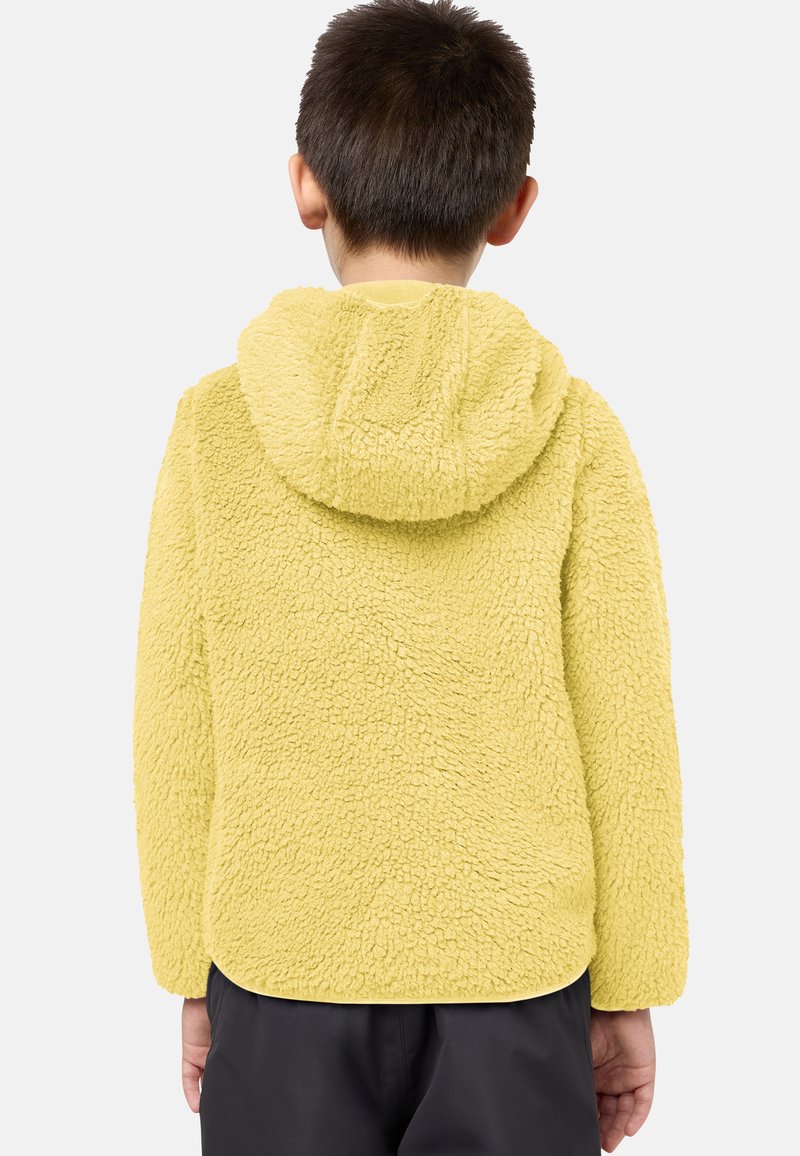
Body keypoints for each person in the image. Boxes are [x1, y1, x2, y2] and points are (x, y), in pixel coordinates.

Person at [132, 1, 689, 1152]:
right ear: (512, 207)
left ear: (305, 185)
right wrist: (630, 984)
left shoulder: (216, 430)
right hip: (515, 973)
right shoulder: (574, 432)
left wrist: (190, 964)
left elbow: (176, 715)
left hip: (280, 963)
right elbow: (626, 729)